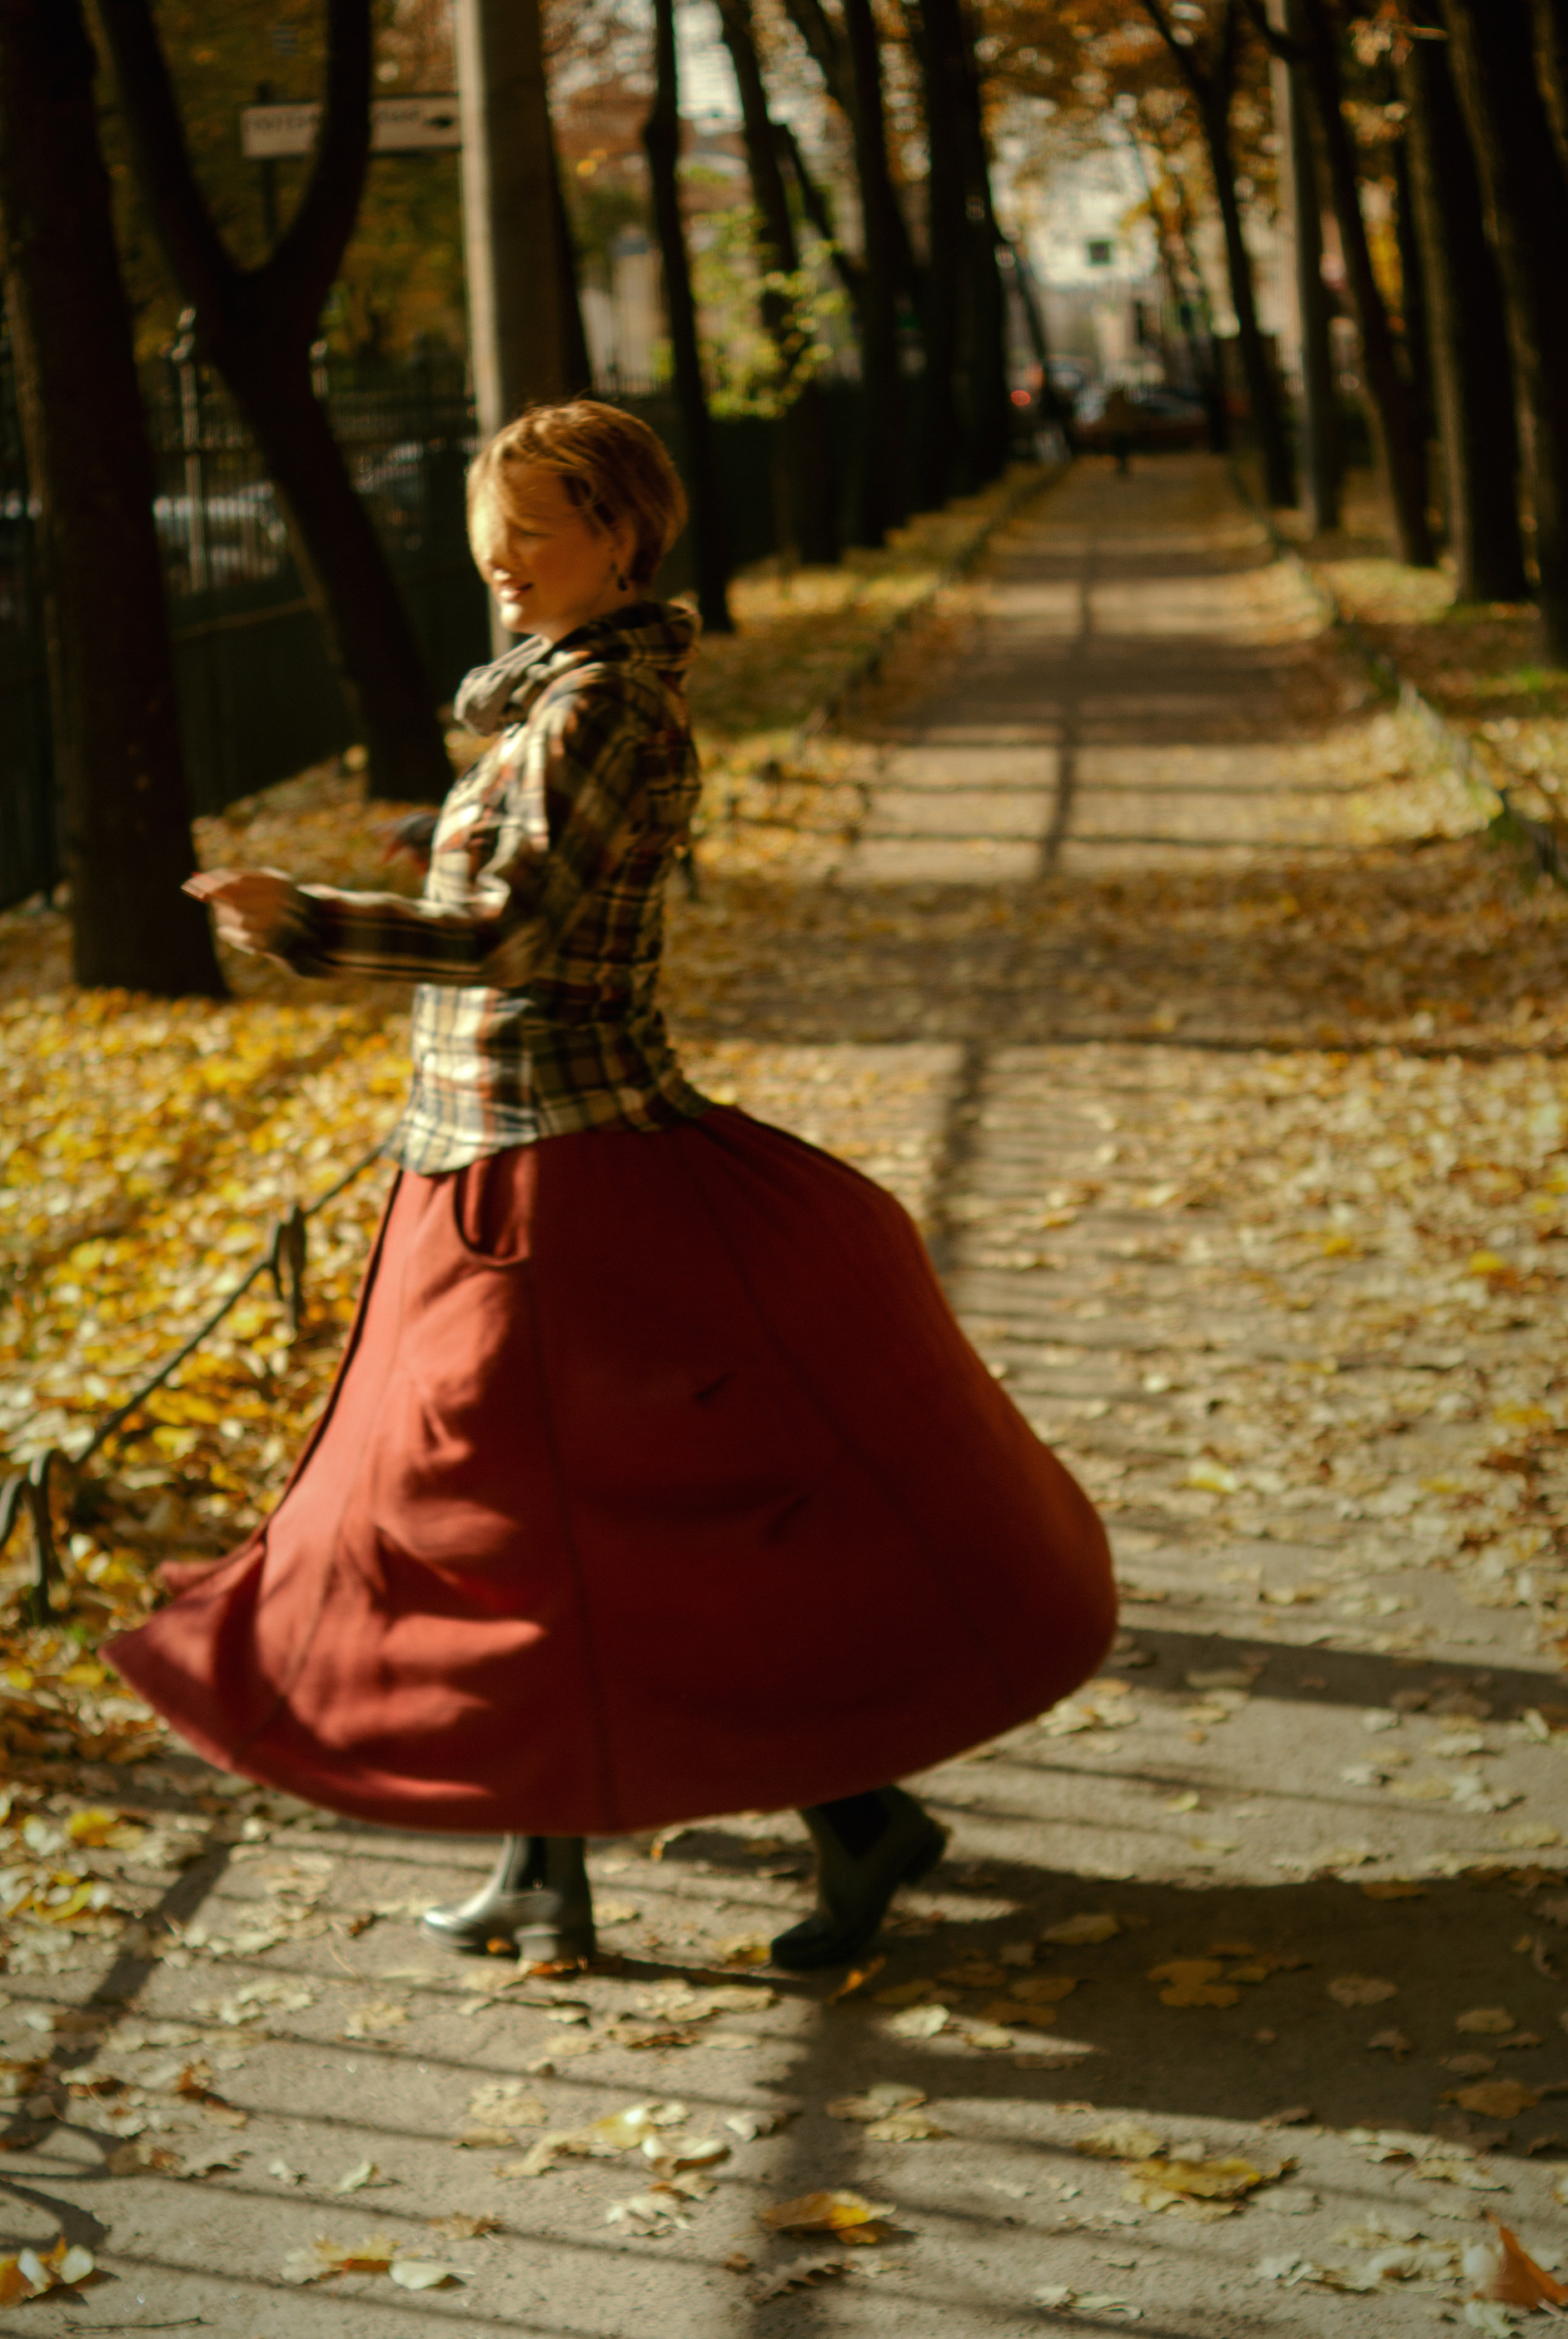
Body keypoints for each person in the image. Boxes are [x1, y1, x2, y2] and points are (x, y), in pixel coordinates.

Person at [108, 401, 1114, 1971]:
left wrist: (309, 921)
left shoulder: (598, 712)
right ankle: (563, 1867)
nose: (503, 558)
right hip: (493, 1162)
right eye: (489, 526)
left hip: (554, 1180)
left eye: (542, 528)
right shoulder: (556, 702)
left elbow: (517, 939)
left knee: (544, 1530)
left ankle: (846, 1822)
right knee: (532, 1531)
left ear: (625, 540)